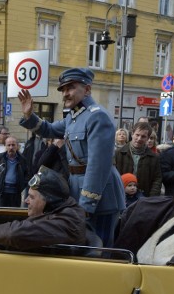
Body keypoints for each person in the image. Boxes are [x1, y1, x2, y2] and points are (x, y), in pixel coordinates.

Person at [18, 67, 125, 247]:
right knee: (83, 249)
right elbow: (49, 130)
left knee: (100, 252)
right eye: (63, 90)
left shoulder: (97, 116)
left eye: (71, 88)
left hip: (100, 200)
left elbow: (97, 166)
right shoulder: (74, 117)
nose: (65, 94)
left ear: (87, 89)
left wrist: (86, 205)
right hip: (79, 194)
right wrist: (29, 115)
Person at [0, 166, 86, 250]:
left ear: (48, 202)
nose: (25, 200)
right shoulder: (62, 213)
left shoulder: (68, 222)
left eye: (32, 197)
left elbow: (15, 233)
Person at [114, 121, 162, 197]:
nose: (139, 138)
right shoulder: (118, 154)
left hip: (144, 198)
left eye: (143, 136)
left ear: (147, 138)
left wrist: (152, 198)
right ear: (132, 134)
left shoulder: (154, 157)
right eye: (137, 135)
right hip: (121, 197)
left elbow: (157, 179)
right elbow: (113, 177)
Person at [0, 136, 29, 207]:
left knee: (13, 214)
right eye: (9, 145)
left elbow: (27, 175)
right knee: (1, 214)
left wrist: (22, 184)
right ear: (5, 146)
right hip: (1, 193)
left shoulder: (22, 159)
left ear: (17, 146)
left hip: (15, 194)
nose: (11, 147)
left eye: (13, 145)